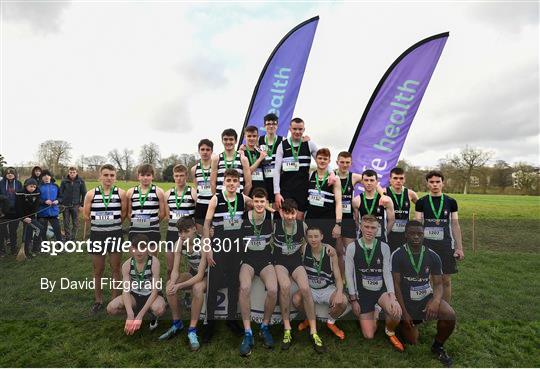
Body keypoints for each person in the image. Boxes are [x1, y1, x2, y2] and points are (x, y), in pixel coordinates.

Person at [392, 220, 456, 367]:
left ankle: (438, 346)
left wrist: (435, 300)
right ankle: (405, 324)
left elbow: (439, 284)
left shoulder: (433, 256)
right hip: (406, 302)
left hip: (425, 299)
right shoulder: (397, 255)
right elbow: (396, 285)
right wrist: (404, 312)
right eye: (412, 234)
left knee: (449, 315)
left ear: (424, 235)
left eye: (419, 234)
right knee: (413, 341)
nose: (416, 237)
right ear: (406, 235)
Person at [203, 168, 254, 343]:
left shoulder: (243, 199)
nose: (232, 184)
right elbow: (206, 224)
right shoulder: (216, 199)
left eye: (235, 181)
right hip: (218, 248)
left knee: (234, 284)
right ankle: (209, 323)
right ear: (224, 182)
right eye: (229, 180)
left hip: (236, 249)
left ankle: (231, 319)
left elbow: (259, 206)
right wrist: (208, 248)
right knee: (214, 285)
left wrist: (270, 208)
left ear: (239, 183)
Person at [273, 199, 325, 353]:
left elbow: (314, 243)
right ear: (282, 212)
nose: (290, 217)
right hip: (280, 262)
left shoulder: (302, 226)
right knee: (285, 286)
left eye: (293, 213)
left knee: (305, 289)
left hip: (295, 262)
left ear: (296, 213)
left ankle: (314, 331)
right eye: (287, 213)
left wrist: (327, 249)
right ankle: (287, 328)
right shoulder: (275, 225)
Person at [345, 215, 404, 351]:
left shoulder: (384, 247)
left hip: (380, 291)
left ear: (378, 229)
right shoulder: (352, 247)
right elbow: (348, 274)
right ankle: (376, 311)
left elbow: (387, 273)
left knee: (396, 313)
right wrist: (353, 300)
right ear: (360, 227)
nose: (369, 230)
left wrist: (392, 297)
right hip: (363, 294)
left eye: (373, 228)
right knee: (369, 335)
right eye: (366, 227)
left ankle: (390, 331)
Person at [238, 187, 277, 356]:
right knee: (245, 287)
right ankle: (248, 332)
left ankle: (264, 326)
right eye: (257, 201)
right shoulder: (243, 218)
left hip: (265, 259)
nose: (259, 204)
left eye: (263, 201)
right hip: (248, 260)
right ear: (252, 202)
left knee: (273, 289)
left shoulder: (273, 217)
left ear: (266, 203)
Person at [83, 164, 127, 315]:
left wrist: (112, 224)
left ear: (115, 177)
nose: (109, 178)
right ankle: (98, 300)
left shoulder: (121, 193)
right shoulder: (91, 194)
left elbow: (124, 213)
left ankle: (114, 300)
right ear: (100, 176)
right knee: (98, 270)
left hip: (115, 233)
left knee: (116, 268)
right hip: (97, 235)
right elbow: (86, 215)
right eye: (106, 175)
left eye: (112, 175)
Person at [414, 171, 464, 302]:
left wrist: (459, 248)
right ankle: (432, 306)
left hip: (446, 246)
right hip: (427, 247)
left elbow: (455, 225)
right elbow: (417, 225)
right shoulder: (421, 202)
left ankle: (445, 312)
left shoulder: (451, 202)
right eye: (432, 182)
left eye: (438, 182)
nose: (435, 184)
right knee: (431, 279)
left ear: (443, 183)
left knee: (446, 280)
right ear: (427, 184)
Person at [160, 217, 207, 352]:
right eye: (180, 232)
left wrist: (179, 286)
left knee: (197, 288)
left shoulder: (204, 242)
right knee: (170, 284)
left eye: (186, 232)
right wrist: (174, 283)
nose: (183, 235)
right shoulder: (180, 242)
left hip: (209, 276)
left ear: (194, 229)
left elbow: (200, 276)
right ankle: (177, 323)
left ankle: (192, 330)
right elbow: (175, 270)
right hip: (194, 274)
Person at [293, 226, 347, 341]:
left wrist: (339, 292)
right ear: (306, 238)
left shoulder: (330, 252)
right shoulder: (304, 248)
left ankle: (331, 323)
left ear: (322, 237)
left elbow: (338, 278)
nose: (313, 239)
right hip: (310, 289)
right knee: (296, 300)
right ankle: (309, 317)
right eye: (310, 236)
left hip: (326, 288)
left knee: (343, 301)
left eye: (316, 236)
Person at [106, 234, 166, 334]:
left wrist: (140, 316)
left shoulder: (154, 262)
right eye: (136, 248)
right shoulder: (126, 265)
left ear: (147, 248)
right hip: (134, 296)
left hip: (151, 295)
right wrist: (130, 315)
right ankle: (134, 313)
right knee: (111, 309)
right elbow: (126, 291)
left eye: (142, 248)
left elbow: (155, 291)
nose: (139, 252)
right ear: (131, 248)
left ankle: (151, 314)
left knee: (159, 309)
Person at [273, 118, 318, 219]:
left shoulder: (310, 144)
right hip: (286, 189)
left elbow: (322, 162)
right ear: (290, 129)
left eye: (300, 129)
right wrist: (277, 193)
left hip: (302, 190)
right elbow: (276, 170)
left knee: (298, 219)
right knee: (285, 218)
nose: (297, 132)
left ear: (304, 129)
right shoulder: (282, 145)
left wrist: (332, 173)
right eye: (295, 129)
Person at [304, 148, 342, 248]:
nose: (322, 161)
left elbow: (339, 203)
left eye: (325, 159)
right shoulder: (311, 175)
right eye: (320, 158)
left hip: (327, 220)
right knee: (312, 250)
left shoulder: (335, 179)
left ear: (329, 161)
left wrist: (338, 224)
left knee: (328, 251)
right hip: (311, 219)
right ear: (316, 159)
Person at [164, 164, 196, 278]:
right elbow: (168, 215)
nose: (179, 178)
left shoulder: (193, 192)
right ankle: (171, 291)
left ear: (186, 176)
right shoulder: (167, 194)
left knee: (192, 266)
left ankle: (188, 293)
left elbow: (198, 213)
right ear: (173, 176)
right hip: (172, 232)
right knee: (170, 267)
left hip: (188, 234)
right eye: (176, 176)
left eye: (181, 175)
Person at [126, 164, 166, 246]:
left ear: (152, 176)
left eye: (148, 175)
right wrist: (138, 222)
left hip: (152, 229)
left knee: (152, 257)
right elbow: (129, 213)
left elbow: (162, 213)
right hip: (135, 229)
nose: (145, 178)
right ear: (138, 177)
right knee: (136, 256)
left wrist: (153, 222)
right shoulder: (130, 192)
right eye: (142, 175)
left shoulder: (159, 192)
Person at [353, 169, 395, 243]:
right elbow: (357, 221)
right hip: (363, 239)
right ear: (362, 182)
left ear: (377, 182)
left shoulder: (386, 200)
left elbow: (391, 220)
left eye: (372, 180)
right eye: (366, 180)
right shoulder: (356, 201)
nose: (369, 183)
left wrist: (384, 233)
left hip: (380, 239)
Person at [210, 128, 252, 195]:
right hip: (221, 200)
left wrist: (241, 198)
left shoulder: (243, 159)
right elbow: (212, 182)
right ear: (222, 141)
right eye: (225, 139)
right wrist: (217, 198)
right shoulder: (216, 159)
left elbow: (248, 183)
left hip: (237, 200)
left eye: (231, 139)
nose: (228, 142)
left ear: (235, 141)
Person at [386, 167, 418, 252]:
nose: (398, 181)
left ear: (404, 180)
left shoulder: (410, 194)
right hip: (389, 233)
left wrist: (417, 219)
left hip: (405, 234)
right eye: (395, 178)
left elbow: (421, 208)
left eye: (401, 178)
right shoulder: (384, 192)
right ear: (390, 179)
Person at [257, 113, 284, 205]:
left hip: (278, 180)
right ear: (264, 126)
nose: (271, 126)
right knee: (265, 206)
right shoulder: (259, 140)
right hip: (264, 180)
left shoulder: (283, 140)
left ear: (277, 125)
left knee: (278, 207)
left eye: (274, 123)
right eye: (268, 124)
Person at [16, 178, 45, 258]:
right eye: (31, 186)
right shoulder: (20, 193)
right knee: (38, 229)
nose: (32, 188)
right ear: (26, 186)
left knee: (31, 232)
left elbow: (36, 206)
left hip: (32, 217)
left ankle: (32, 249)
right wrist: (23, 218)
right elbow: (18, 207)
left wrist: (32, 216)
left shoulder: (37, 193)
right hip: (24, 217)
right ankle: (29, 251)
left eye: (34, 187)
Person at [191, 139, 214, 235]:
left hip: (214, 205)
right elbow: (197, 187)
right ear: (199, 151)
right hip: (200, 206)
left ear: (211, 151)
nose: (205, 152)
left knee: (214, 234)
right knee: (201, 234)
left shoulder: (216, 166)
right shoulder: (194, 169)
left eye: (208, 149)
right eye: (202, 149)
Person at [59, 166, 87, 241]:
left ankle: (73, 238)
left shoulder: (81, 181)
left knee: (75, 223)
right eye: (70, 172)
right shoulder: (64, 181)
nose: (72, 174)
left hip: (76, 205)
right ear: (68, 173)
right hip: (65, 206)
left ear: (76, 173)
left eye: (74, 172)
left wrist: (82, 205)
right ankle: (68, 238)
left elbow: (84, 193)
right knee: (66, 223)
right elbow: (60, 193)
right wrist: (60, 203)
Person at [0, 167, 23, 256]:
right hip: (3, 211)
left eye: (12, 173)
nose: (10, 174)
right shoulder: (1, 183)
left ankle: (13, 248)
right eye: (8, 173)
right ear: (5, 174)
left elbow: (21, 196)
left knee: (13, 231)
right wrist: (3, 197)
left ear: (14, 174)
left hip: (15, 211)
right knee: (1, 231)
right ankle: (1, 250)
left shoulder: (18, 183)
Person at [37, 170, 63, 242]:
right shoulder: (38, 187)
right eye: (44, 176)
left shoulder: (55, 186)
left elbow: (61, 197)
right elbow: (36, 199)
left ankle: (60, 246)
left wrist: (57, 201)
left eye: (47, 175)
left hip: (54, 212)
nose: (46, 177)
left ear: (50, 177)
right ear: (42, 178)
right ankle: (45, 246)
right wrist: (44, 201)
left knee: (57, 230)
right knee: (43, 231)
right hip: (42, 213)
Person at [242, 125, 267, 197]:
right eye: (249, 136)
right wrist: (259, 159)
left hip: (261, 188)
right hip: (249, 189)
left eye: (254, 136)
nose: (252, 138)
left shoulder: (260, 152)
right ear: (245, 137)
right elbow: (247, 172)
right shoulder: (241, 153)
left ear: (257, 137)